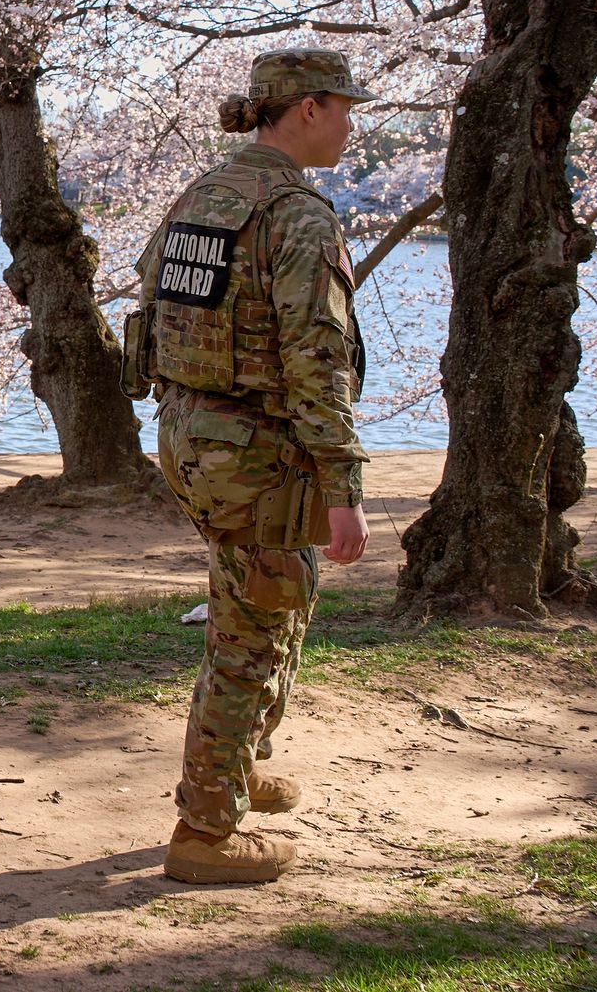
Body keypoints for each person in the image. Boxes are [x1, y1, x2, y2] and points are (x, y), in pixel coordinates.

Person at [123, 47, 374, 885]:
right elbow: (316, 357)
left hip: (194, 433)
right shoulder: (297, 214)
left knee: (273, 598)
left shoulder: (207, 194)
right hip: (262, 448)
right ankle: (205, 830)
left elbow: (154, 301)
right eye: (343, 105)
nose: (351, 121)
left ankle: (236, 767)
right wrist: (344, 487)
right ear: (305, 108)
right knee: (252, 625)